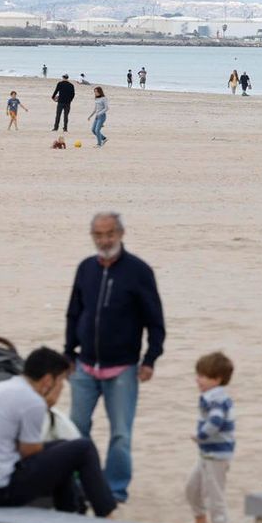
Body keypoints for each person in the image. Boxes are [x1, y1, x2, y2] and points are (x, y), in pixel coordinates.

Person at [64, 211, 166, 505]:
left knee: (121, 434)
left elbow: (155, 320)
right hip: (84, 366)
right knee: (76, 428)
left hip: (122, 369)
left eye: (109, 234)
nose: (104, 240)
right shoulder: (86, 268)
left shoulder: (139, 271)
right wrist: (68, 353)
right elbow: (74, 313)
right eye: (98, 235)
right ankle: (78, 482)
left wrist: (150, 359)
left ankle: (116, 488)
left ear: (121, 234)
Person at [0, 347, 117, 518]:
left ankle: (71, 511)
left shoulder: (6, 386)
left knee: (64, 449)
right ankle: (106, 514)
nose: (62, 388)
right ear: (48, 381)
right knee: (83, 448)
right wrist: (46, 404)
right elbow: (29, 452)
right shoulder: (32, 401)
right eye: (61, 381)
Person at [186, 351, 235, 523]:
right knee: (192, 487)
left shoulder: (216, 398)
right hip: (206, 454)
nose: (197, 380)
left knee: (215, 493)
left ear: (217, 379)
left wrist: (201, 435)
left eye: (202, 377)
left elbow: (216, 420)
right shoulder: (211, 396)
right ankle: (200, 521)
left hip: (218, 454)